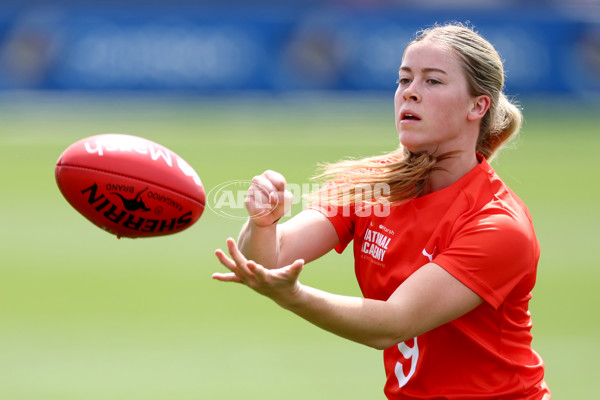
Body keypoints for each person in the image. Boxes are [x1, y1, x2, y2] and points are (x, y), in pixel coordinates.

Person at [213, 22, 551, 399]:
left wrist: (293, 295)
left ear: (478, 105)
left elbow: (393, 324)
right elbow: (269, 260)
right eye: (403, 80)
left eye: (432, 82)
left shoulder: (497, 225)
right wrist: (263, 223)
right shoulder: (373, 184)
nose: (410, 93)